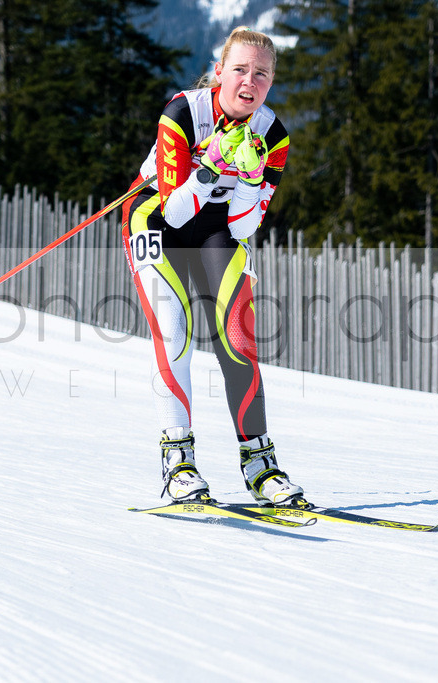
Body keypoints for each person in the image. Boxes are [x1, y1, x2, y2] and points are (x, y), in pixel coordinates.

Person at [121, 27, 307, 507]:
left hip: (219, 225)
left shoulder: (273, 135)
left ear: (271, 83)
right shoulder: (184, 112)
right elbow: (174, 211)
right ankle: (177, 462)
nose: (250, 81)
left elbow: (245, 224)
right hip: (157, 217)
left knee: (237, 336)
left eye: (262, 74)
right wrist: (213, 166)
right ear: (219, 72)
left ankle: (260, 466)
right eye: (240, 69)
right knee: (174, 327)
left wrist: (246, 177)